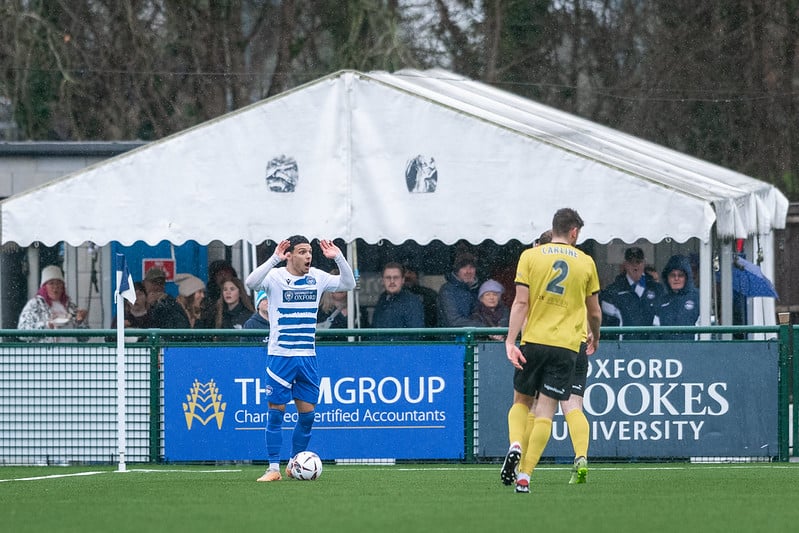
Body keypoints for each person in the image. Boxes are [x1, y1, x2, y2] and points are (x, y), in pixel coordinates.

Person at [502, 208, 601, 494]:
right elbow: (594, 311)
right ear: (573, 232)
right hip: (568, 347)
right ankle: (525, 477)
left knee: (522, 402)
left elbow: (520, 303)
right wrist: (596, 335)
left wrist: (510, 341)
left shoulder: (530, 257)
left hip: (534, 341)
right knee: (548, 410)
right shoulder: (586, 262)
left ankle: (516, 444)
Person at [244, 235, 356, 482]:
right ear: (290, 255)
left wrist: (337, 256)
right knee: (276, 413)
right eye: (303, 252)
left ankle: (293, 465)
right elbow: (251, 283)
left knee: (307, 416)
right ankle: (273, 468)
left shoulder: (317, 277)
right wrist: (274, 257)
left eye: (310, 252)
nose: (308, 256)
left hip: (307, 357)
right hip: (280, 356)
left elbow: (348, 283)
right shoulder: (275, 277)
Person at [599, 246, 664, 340]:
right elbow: (608, 326)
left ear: (644, 263)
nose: (635, 266)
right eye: (631, 262)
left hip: (652, 348)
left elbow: (662, 319)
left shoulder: (657, 289)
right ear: (625, 265)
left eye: (638, 262)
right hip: (624, 349)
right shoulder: (613, 291)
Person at [17, 265, 89, 342]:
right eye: (51, 283)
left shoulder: (71, 307)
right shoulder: (34, 305)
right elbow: (22, 333)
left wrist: (80, 322)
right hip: (45, 352)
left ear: (63, 287)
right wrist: (46, 326)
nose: (55, 287)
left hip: (70, 352)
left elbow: (84, 338)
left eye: (59, 283)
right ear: (44, 287)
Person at [371, 262, 425, 340]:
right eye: (388, 277)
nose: (392, 281)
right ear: (383, 280)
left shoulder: (412, 301)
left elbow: (416, 335)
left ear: (402, 280)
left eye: (396, 277)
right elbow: (375, 330)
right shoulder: (382, 299)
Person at [654, 255, 700, 340]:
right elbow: (655, 333)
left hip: (693, 350)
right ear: (667, 278)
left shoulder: (698, 297)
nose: (676, 278)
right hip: (666, 351)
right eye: (672, 275)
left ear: (687, 277)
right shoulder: (661, 301)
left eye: (680, 275)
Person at [437, 253, 482, 327]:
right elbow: (454, 321)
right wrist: (485, 327)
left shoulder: (480, 289)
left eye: (471, 267)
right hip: (452, 337)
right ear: (457, 271)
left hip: (477, 336)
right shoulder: (447, 290)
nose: (468, 271)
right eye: (464, 267)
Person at [201, 260, 238, 327]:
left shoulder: (244, 303)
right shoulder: (207, 300)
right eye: (220, 274)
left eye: (226, 273)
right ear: (214, 277)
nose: (224, 276)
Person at [403, 264, 439, 329]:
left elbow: (436, 319)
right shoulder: (391, 297)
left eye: (410, 272)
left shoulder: (429, 294)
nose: (407, 276)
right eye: (403, 273)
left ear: (416, 276)